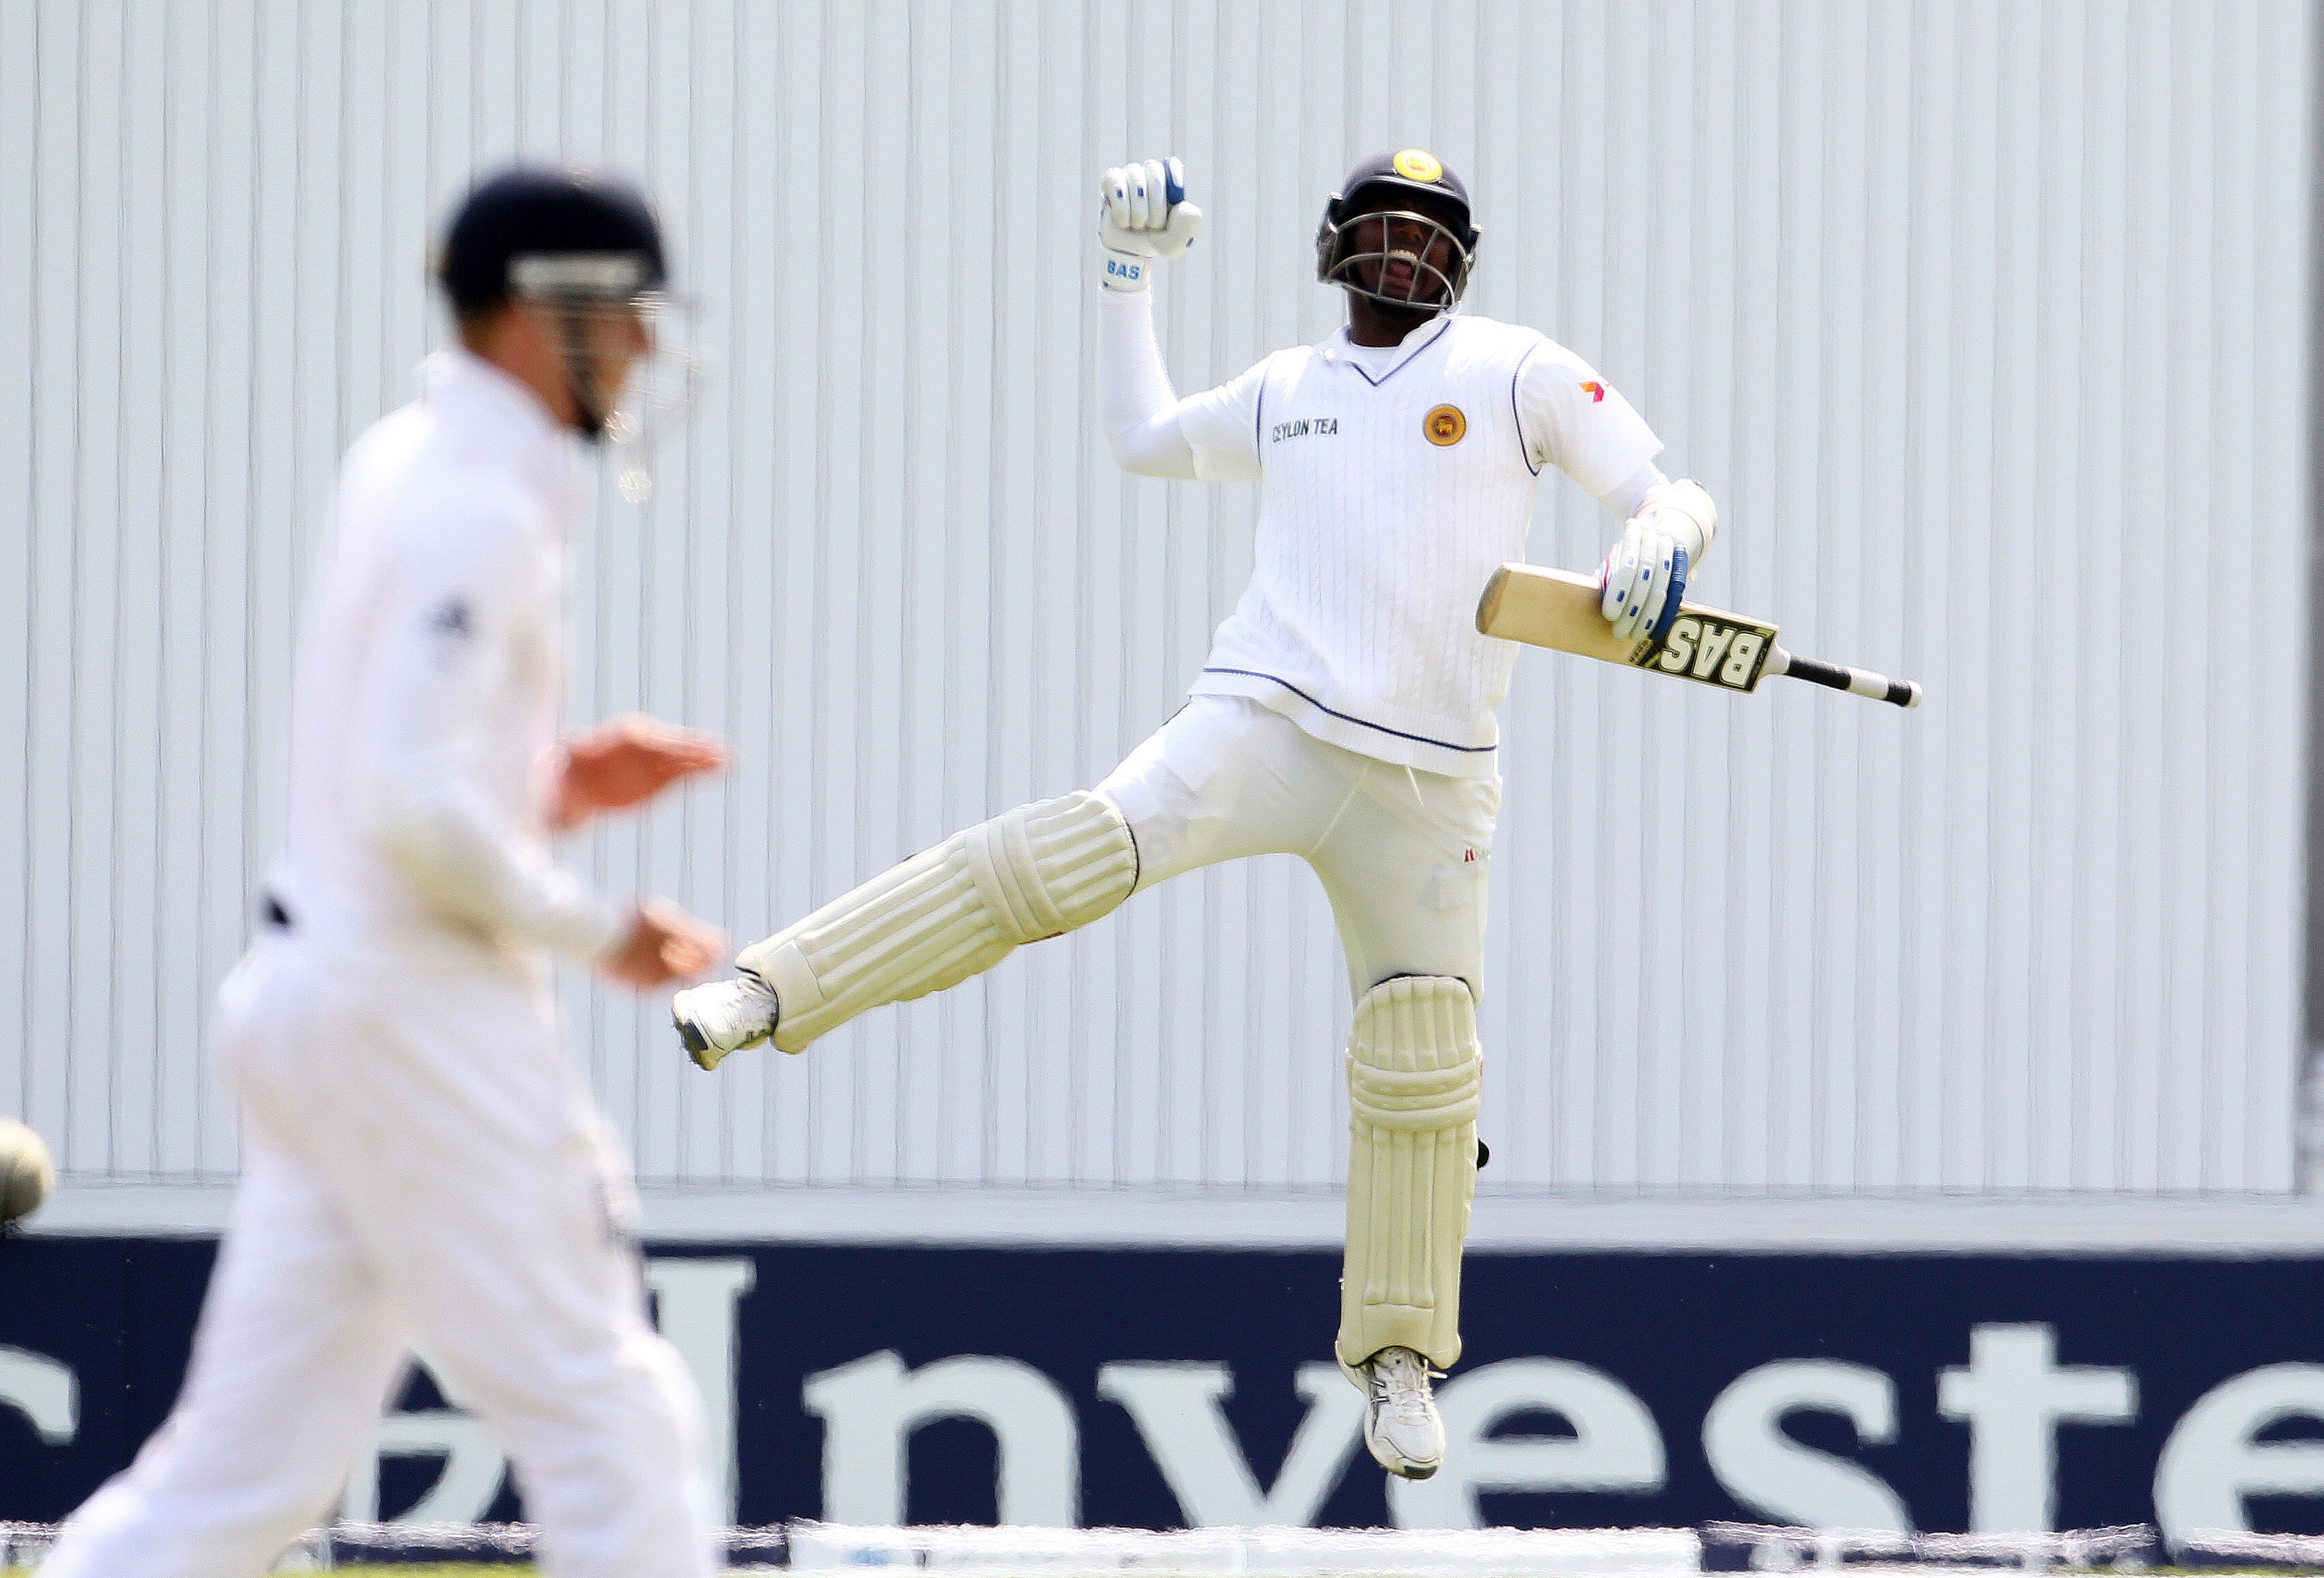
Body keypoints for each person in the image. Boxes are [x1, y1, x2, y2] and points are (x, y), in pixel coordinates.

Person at [673, 149, 1718, 1482]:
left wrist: (1661, 546)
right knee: (1061, 856)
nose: (1406, 257)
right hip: (1260, 722)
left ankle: (1397, 1354)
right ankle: (771, 989)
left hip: (1432, 775)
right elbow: (1142, 439)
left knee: (1420, 1054)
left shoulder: (1516, 371)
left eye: (1431, 236)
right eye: (1385, 230)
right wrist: (1129, 273)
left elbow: (1667, 489)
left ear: (1467, 259)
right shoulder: (1288, 388)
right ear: (1336, 242)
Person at [42, 165, 730, 1578]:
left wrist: (553, 789)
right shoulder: (484, 499)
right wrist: (595, 929)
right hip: (416, 1010)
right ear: (548, 315)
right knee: (616, 1418)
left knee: (241, 1478)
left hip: (314, 999)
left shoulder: (409, 459)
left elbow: (402, 777)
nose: (649, 350)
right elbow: (410, 805)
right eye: (629, 316)